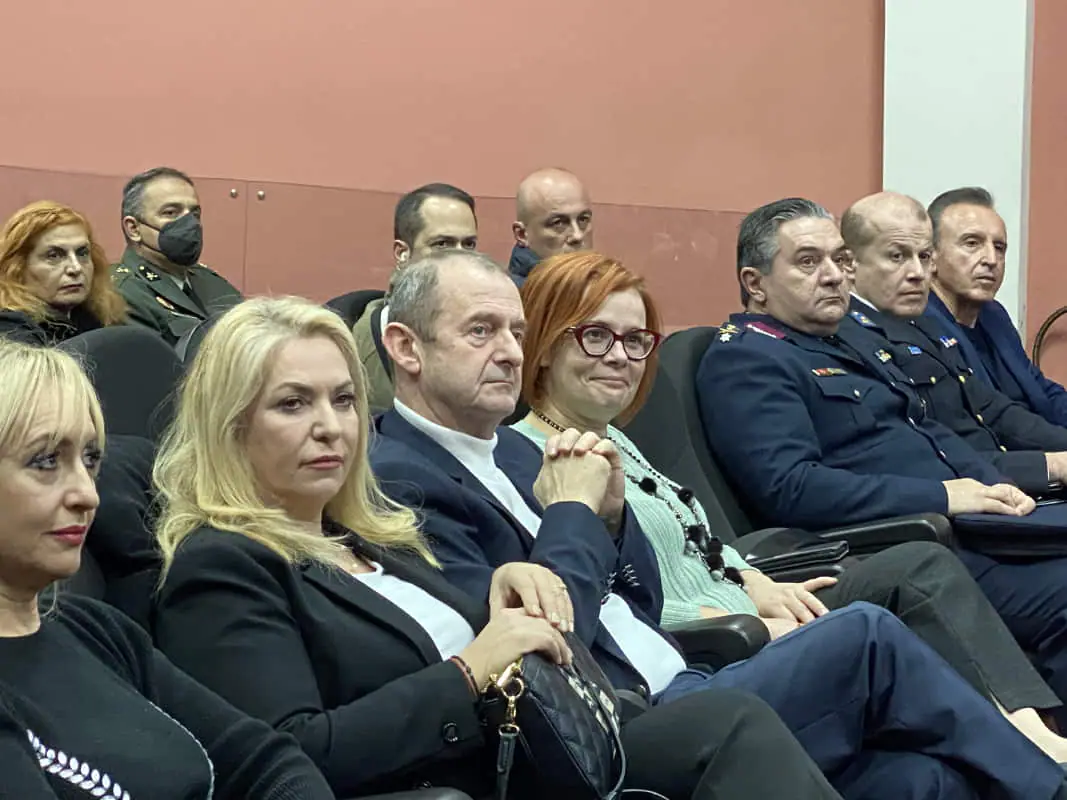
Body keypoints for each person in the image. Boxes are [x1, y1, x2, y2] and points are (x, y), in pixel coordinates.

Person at [368, 249, 1067, 799]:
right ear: (405, 347)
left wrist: (612, 525)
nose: (508, 352)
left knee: (922, 779)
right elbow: (544, 651)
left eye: (514, 332)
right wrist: (579, 513)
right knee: (867, 634)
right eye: (481, 331)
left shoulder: (522, 456)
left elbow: (637, 597)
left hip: (681, 676)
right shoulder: (407, 482)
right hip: (615, 723)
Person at [149, 296, 844, 800]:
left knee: (890, 762)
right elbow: (289, 758)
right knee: (732, 722)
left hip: (557, 744)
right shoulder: (221, 564)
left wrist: (507, 582)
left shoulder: (371, 537)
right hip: (478, 780)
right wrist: (469, 670)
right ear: (229, 425)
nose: (331, 427)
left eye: (344, 400)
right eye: (293, 404)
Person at [698, 196, 1067, 725]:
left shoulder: (844, 341)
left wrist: (992, 484)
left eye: (839, 259)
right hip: (904, 543)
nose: (833, 276)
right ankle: (1038, 748)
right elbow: (791, 488)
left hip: (974, 526)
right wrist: (945, 495)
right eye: (808, 262)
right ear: (755, 283)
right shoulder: (747, 357)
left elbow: (929, 428)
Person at [0, 339, 337, 799]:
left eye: (91, 459)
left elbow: (269, 761)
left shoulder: (98, 633)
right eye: (45, 461)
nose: (87, 494)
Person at [839, 191, 1067, 494]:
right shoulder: (847, 337)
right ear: (849, 264)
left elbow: (995, 410)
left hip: (1001, 481)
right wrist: (1048, 466)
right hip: (967, 495)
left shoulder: (923, 323)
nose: (917, 273)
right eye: (897, 256)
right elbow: (927, 453)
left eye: (923, 257)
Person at [925, 187, 1067, 428]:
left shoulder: (994, 314)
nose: (991, 259)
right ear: (930, 256)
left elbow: (1040, 388)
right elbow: (984, 421)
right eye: (972, 243)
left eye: (999, 247)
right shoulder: (920, 323)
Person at [352, 183, 478, 412]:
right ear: (402, 253)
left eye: (468, 244)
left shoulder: (493, 324)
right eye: (442, 244)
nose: (460, 257)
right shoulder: (371, 346)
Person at [110, 166, 242, 346]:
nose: (190, 224)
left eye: (194, 214)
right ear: (134, 229)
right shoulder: (122, 294)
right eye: (171, 213)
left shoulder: (209, 280)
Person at [0, 201, 126, 345]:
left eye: (82, 253)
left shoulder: (97, 318)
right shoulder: (9, 333)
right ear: (17, 267)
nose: (76, 268)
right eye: (54, 256)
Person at [508, 168, 593, 286]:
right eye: (559, 223)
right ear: (521, 234)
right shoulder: (508, 295)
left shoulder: (601, 285)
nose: (578, 235)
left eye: (583, 219)